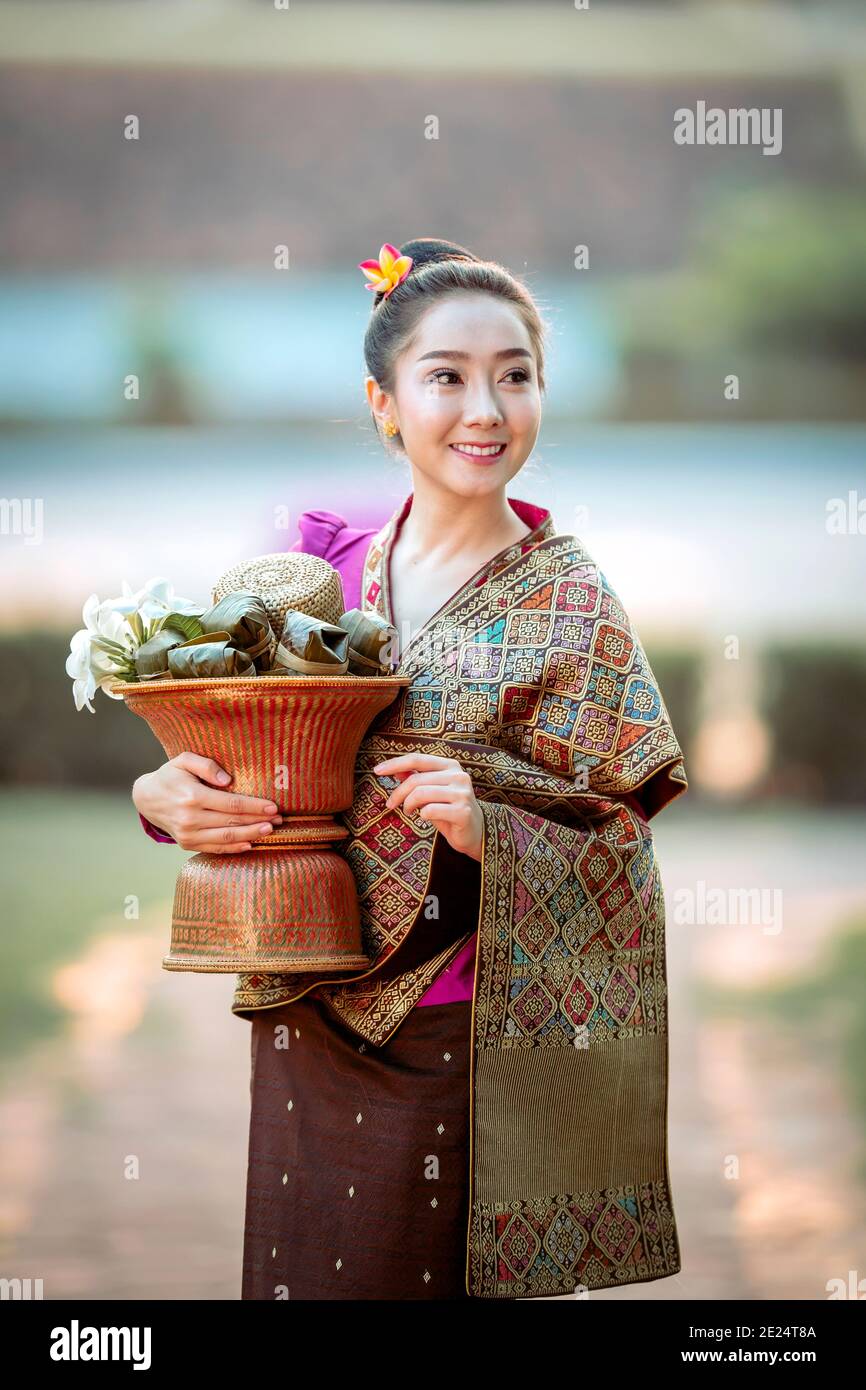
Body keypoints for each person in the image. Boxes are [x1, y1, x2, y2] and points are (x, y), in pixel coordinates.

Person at [133, 236, 688, 1300]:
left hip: (463, 1023)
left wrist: (492, 829)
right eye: (446, 376)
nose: (484, 409)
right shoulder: (314, 570)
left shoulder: (571, 602)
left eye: (513, 375)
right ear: (384, 401)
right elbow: (227, 750)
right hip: (304, 995)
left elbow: (617, 837)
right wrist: (159, 799)